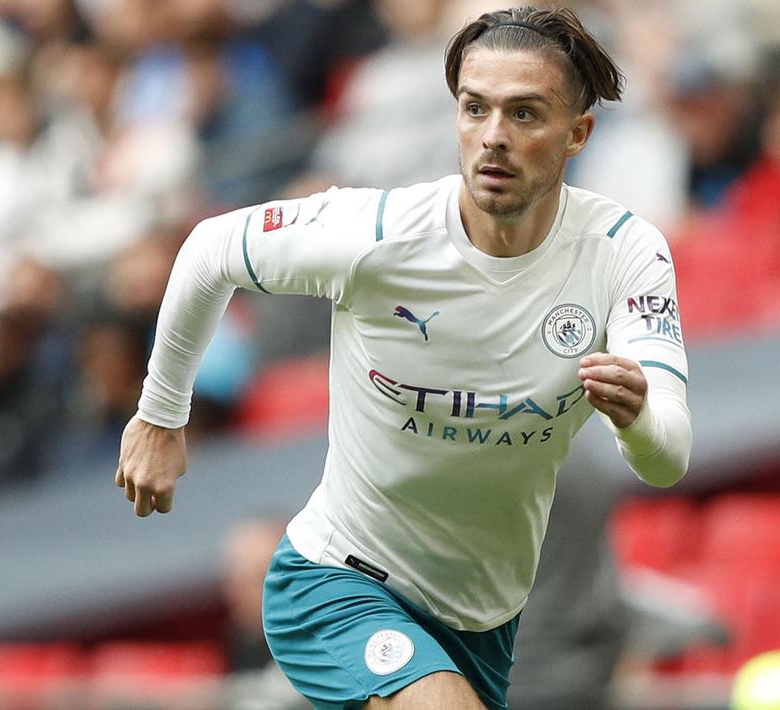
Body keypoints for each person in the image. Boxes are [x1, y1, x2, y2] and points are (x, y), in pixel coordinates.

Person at [115, 6, 692, 709]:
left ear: (577, 134)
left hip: (481, 618)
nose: (492, 138)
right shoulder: (379, 233)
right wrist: (158, 415)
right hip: (337, 579)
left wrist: (635, 419)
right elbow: (210, 250)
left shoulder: (624, 252)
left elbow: (665, 459)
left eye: (523, 114)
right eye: (474, 109)